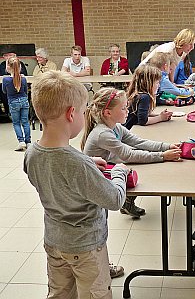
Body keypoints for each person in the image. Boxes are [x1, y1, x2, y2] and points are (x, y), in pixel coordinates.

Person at [24, 70, 129, 298]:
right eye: (83, 111)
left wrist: (88, 161)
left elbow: (54, 170)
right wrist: (119, 172)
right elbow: (114, 199)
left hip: (54, 242)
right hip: (86, 248)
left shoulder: (32, 153)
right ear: (72, 114)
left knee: (60, 293)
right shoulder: (77, 164)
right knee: (95, 294)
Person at [81, 87, 181, 218]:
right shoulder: (102, 134)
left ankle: (127, 202)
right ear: (108, 113)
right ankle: (126, 201)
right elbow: (129, 155)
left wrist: (166, 146)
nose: (128, 111)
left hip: (105, 166)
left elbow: (138, 142)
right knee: (134, 168)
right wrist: (163, 156)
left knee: (139, 161)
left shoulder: (115, 127)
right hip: (94, 178)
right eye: (123, 108)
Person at [124, 64, 172, 130]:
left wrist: (161, 115)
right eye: (157, 83)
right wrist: (161, 118)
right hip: (128, 133)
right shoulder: (145, 97)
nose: (159, 86)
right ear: (148, 83)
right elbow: (143, 121)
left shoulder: (138, 94)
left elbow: (141, 115)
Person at [2, 57, 31, 151]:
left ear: (8, 67)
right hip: (24, 101)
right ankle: (28, 142)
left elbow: (4, 91)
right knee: (25, 122)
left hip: (13, 102)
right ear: (20, 67)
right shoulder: (23, 79)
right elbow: (26, 91)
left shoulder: (6, 80)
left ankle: (21, 141)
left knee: (16, 123)